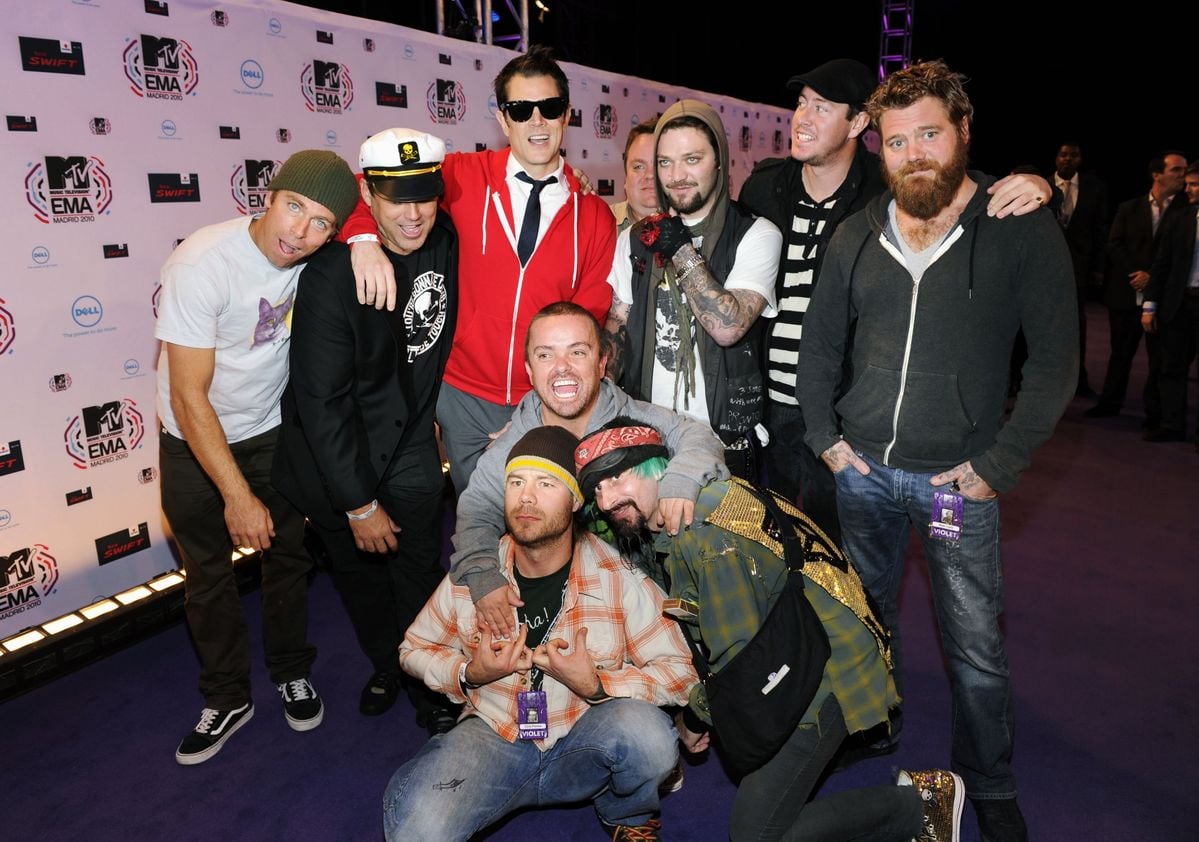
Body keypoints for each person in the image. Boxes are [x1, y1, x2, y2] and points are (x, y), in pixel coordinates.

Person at [796, 61, 1077, 842]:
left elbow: (1058, 361)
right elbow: (818, 348)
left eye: (928, 133)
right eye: (895, 141)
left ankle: (986, 781)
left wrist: (997, 466)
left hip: (958, 483)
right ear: (877, 149)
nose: (913, 153)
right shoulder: (856, 233)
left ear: (961, 132)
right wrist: (825, 441)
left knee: (975, 644)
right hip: (863, 477)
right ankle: (875, 728)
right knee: (865, 618)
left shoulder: (1018, 225)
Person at [579, 418, 963, 842]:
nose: (608, 498)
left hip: (828, 670)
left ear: (655, 467)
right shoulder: (703, 497)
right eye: (597, 489)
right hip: (809, 643)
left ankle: (921, 805)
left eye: (619, 477)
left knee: (754, 835)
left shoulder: (700, 534)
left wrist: (693, 718)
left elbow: (742, 661)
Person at [739, 59, 1052, 544]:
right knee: (770, 550)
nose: (802, 118)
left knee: (840, 564)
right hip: (770, 406)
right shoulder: (763, 186)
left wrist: (1034, 184)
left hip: (846, 418)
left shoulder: (884, 189)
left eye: (821, 107)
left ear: (859, 123)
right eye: (800, 105)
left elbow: (951, 185)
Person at [385, 426, 697, 842]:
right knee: (415, 831)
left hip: (585, 738)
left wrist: (599, 684)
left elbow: (682, 674)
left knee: (652, 738)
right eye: (516, 482)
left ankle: (626, 812)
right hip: (495, 735)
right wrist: (469, 672)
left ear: (575, 501)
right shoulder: (477, 574)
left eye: (546, 483)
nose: (526, 497)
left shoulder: (617, 576)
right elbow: (413, 648)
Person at [155, 150, 362, 764]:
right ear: (269, 197)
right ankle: (225, 697)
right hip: (190, 440)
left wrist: (368, 243)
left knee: (288, 560)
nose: (299, 231)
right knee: (208, 574)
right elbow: (189, 397)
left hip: (271, 431)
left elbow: (393, 228)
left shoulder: (320, 258)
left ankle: (290, 669)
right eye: (294, 206)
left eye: (321, 221)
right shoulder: (202, 262)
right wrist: (237, 496)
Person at [340, 46, 616, 490]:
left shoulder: (596, 216)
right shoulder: (464, 174)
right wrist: (363, 237)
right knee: (479, 522)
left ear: (567, 115)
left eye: (549, 108)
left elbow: (588, 322)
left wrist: (541, 408)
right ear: (503, 120)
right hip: (462, 396)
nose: (536, 122)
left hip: (546, 399)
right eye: (521, 110)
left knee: (549, 526)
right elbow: (362, 186)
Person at [272, 129, 460, 733]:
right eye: (395, 198)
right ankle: (386, 663)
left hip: (409, 445)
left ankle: (427, 678)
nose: (412, 213)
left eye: (424, 195)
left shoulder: (445, 238)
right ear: (368, 195)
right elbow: (322, 404)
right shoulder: (330, 276)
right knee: (360, 581)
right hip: (339, 460)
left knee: (419, 568)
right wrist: (357, 505)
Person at [451, 301, 727, 637]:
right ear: (529, 370)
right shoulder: (519, 441)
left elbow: (697, 436)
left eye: (577, 352)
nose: (562, 367)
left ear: (601, 364)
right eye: (545, 355)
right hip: (568, 595)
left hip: (649, 584)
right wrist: (483, 577)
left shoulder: (631, 418)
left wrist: (679, 482)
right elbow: (477, 508)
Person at [604, 99, 782, 479]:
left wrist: (680, 248)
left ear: (719, 160)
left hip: (722, 441)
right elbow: (617, 324)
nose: (676, 175)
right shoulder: (635, 240)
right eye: (665, 162)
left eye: (692, 159)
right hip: (647, 437)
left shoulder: (757, 234)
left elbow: (728, 327)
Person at [1088, 151, 1189, 422]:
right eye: (1177, 170)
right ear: (1157, 174)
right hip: (1126, 292)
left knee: (1159, 359)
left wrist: (1152, 276)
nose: (1183, 176)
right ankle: (1109, 404)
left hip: (1163, 296)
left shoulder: (1186, 211)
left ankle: (1155, 414)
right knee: (1120, 353)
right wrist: (1137, 273)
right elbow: (1114, 244)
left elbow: (1178, 255)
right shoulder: (1129, 207)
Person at [1141, 161, 1199, 445]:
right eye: (1187, 183)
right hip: (1178, 304)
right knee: (1170, 368)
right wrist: (1149, 306)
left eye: (1195, 184)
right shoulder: (1180, 218)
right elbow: (1161, 265)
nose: (1188, 189)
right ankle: (1172, 424)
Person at [1050, 142, 1110, 398]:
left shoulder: (1095, 188)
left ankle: (1078, 378)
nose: (1068, 159)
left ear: (1080, 159)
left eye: (1073, 155)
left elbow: (1100, 229)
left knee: (1077, 322)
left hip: (1079, 267)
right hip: (1045, 267)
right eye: (1063, 154)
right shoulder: (1043, 185)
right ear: (1056, 158)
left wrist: (1098, 268)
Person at [610, 117, 660, 231]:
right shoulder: (597, 222)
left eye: (658, 165)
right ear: (625, 179)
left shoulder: (697, 227)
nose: (650, 175)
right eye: (639, 166)